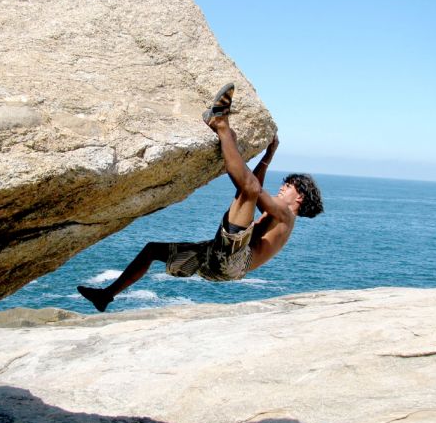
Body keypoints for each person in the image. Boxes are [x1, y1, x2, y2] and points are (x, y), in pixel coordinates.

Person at [77, 83, 323, 312]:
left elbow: (252, 190)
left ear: (299, 198)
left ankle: (221, 124)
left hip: (233, 261)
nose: (283, 188)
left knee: (248, 190)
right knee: (152, 250)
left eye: (289, 185)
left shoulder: (286, 215)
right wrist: (267, 156)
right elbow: (248, 191)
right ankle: (105, 296)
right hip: (216, 259)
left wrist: (241, 147)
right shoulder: (278, 218)